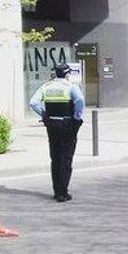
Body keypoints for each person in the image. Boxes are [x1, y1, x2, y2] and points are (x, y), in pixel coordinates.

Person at [30, 63, 85, 202]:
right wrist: (77, 118)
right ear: (67, 74)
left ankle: (56, 191)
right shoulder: (71, 87)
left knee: (55, 158)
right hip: (67, 124)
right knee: (66, 158)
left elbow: (33, 102)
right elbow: (79, 101)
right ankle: (63, 192)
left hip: (52, 125)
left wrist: (45, 115)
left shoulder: (46, 87)